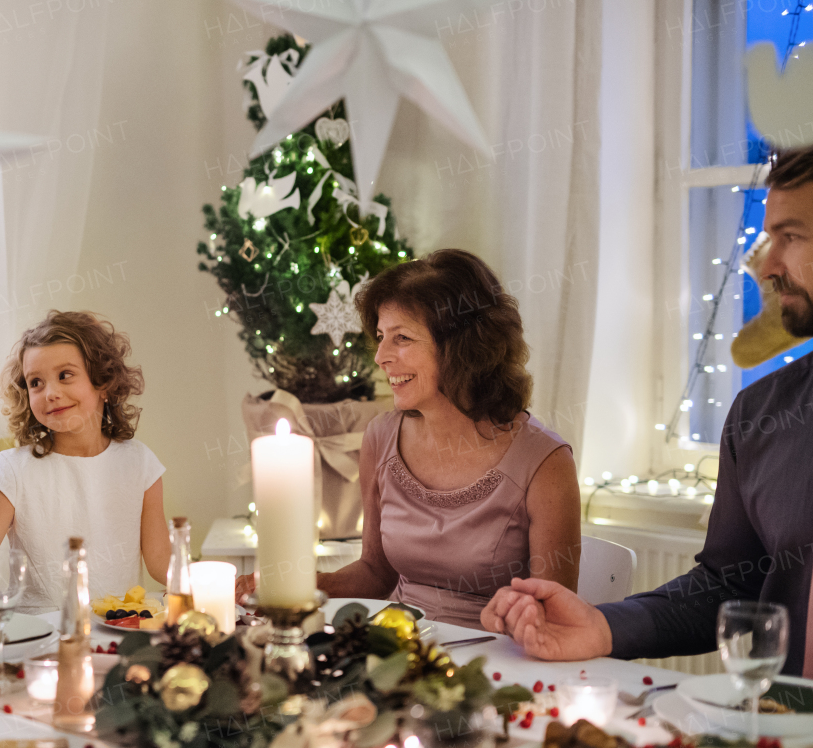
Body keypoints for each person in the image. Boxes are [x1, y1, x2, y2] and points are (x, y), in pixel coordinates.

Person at [481, 137, 813, 681]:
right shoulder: (760, 415)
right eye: (769, 238)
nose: (768, 266)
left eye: (789, 237)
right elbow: (726, 584)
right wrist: (604, 628)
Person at [239, 250, 582, 629]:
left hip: (495, 664)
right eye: (382, 337)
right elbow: (375, 573)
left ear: (463, 348)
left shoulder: (544, 461)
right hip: (395, 650)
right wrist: (295, 588)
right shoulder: (381, 436)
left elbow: (552, 617)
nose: (382, 356)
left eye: (401, 338)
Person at [0, 310, 169, 612]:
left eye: (65, 375)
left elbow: (160, 561)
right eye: (36, 382)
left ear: (103, 382)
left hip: (118, 633)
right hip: (39, 640)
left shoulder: (140, 462)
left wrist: (213, 581)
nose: (50, 393)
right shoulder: (13, 470)